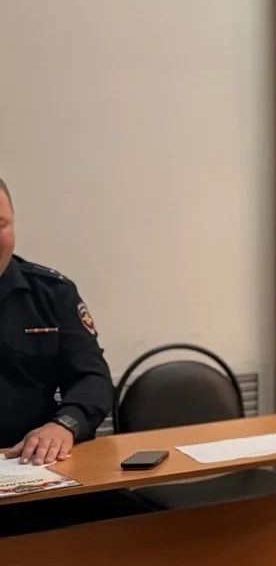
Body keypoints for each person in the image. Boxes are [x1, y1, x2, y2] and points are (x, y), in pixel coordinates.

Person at [0, 176, 153, 536]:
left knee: (142, 529)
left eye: (0, 224)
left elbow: (91, 377)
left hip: (35, 466)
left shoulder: (51, 293)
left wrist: (64, 425)